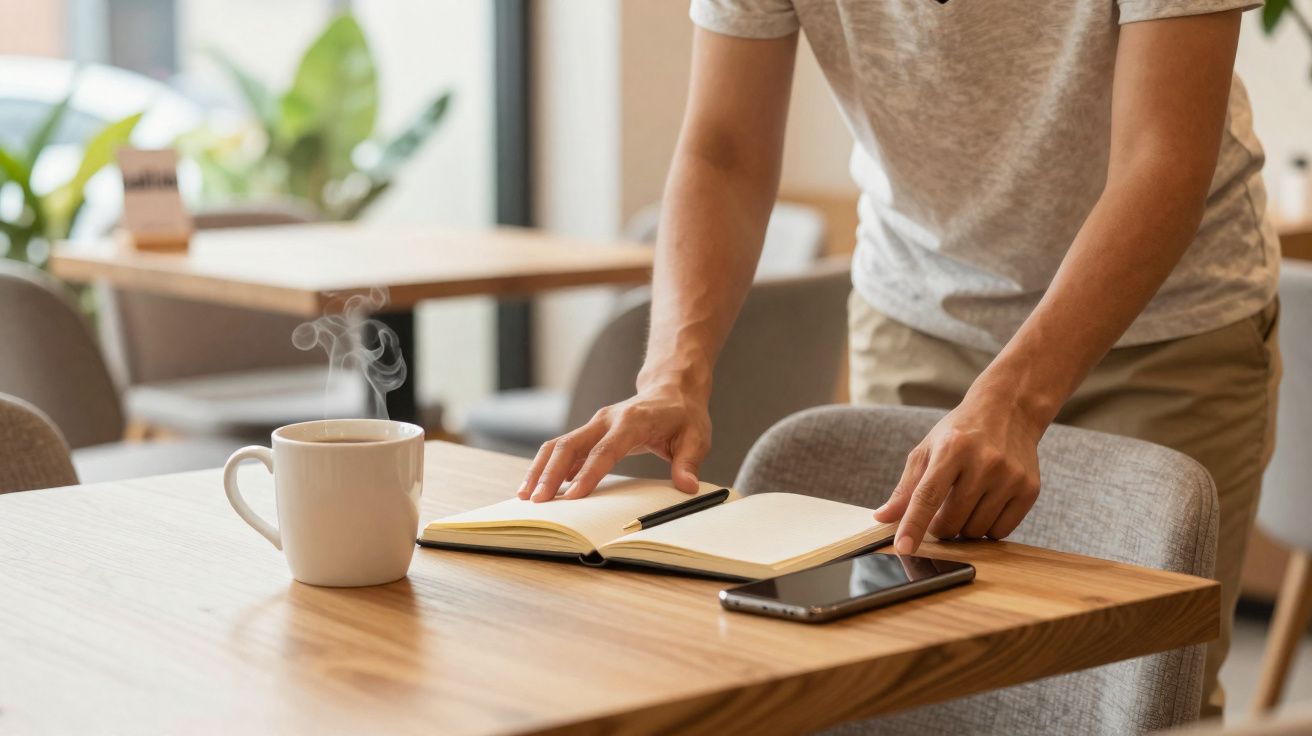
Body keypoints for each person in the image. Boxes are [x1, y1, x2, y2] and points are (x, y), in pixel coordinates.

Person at [518, 0, 1280, 718]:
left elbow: (1162, 156)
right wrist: (672, 374)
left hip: (1161, 327)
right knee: (902, 682)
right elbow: (724, 150)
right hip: (918, 307)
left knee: (1140, 691)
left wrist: (1014, 401)